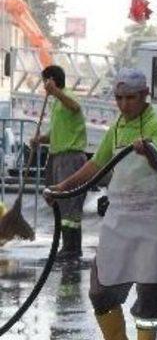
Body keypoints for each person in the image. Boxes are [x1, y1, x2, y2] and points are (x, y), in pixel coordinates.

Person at [44, 68, 157, 340]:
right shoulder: (118, 126)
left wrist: (150, 153)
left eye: (130, 98)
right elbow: (96, 164)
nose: (123, 105)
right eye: (119, 98)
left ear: (145, 95)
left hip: (152, 221)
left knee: (152, 290)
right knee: (100, 288)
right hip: (120, 219)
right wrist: (61, 188)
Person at [34, 65, 88, 259]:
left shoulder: (67, 96)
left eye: (44, 82)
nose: (43, 87)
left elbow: (75, 107)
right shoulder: (56, 103)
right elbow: (57, 132)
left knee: (70, 205)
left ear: (52, 81)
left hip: (71, 158)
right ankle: (67, 247)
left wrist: (56, 92)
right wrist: (41, 139)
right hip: (57, 157)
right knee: (60, 203)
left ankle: (72, 249)